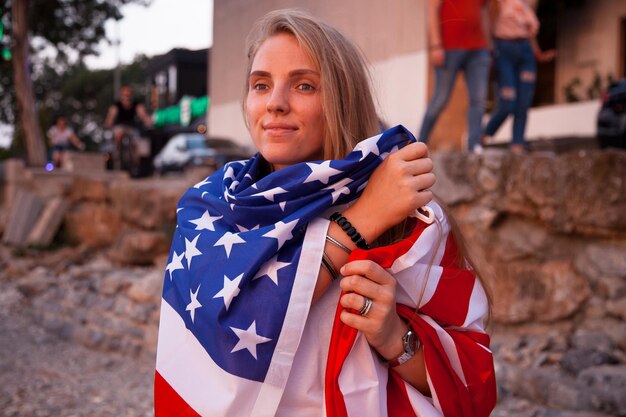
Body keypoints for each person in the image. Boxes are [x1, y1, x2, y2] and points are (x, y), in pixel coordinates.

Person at [154, 9, 496, 417]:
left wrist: (396, 339)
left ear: (341, 97)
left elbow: (472, 390)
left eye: (303, 85)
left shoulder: (410, 216)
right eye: (260, 85)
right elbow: (224, 339)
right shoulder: (210, 206)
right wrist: (359, 224)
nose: (276, 104)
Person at [418, 0, 492, 153]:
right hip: (449, 48)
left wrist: (489, 45)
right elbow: (432, 9)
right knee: (440, 100)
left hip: (479, 50)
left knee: (478, 100)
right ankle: (419, 144)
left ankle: (474, 146)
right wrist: (435, 45)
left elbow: (484, 13)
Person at [482, 0, 556, 153]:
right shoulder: (497, 3)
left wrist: (538, 53)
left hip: (526, 52)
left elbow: (528, 32)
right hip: (504, 49)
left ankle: (518, 144)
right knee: (507, 103)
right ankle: (485, 134)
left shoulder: (528, 2)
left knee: (523, 102)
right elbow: (488, 23)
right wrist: (489, 50)